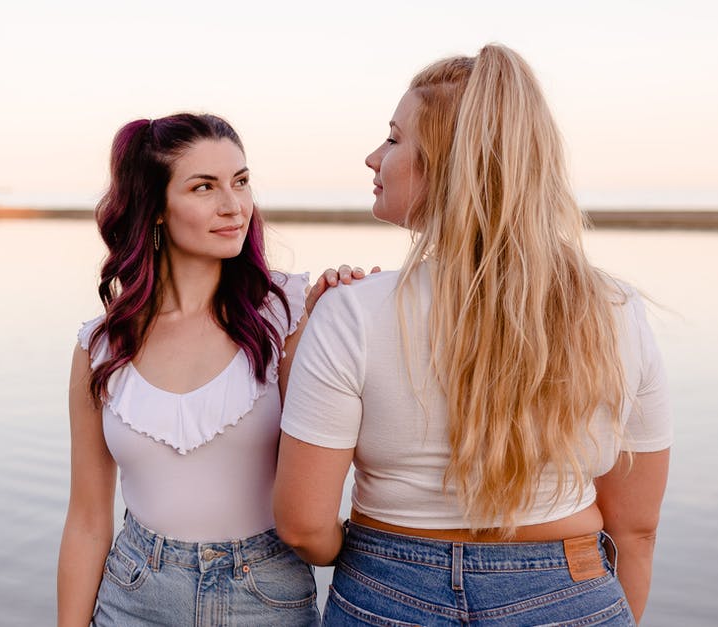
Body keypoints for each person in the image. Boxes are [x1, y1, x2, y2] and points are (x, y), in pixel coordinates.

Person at [273, 44, 673, 626]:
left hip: (386, 594)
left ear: (442, 163)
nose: (371, 158)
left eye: (392, 139)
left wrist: (364, 556)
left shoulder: (352, 313)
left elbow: (303, 525)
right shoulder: (616, 310)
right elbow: (636, 529)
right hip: (574, 593)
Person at [57, 113, 366, 626]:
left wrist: (350, 313)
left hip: (265, 595)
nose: (234, 206)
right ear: (155, 208)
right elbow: (88, 521)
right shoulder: (101, 346)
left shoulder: (288, 319)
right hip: (133, 592)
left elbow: (350, 465)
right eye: (205, 187)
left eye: (241, 182)